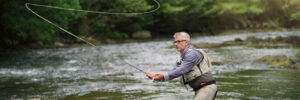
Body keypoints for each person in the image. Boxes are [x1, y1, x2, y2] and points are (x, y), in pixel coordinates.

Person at [145, 32, 217, 100]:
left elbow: (182, 70)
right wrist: (156, 77)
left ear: (186, 42)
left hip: (207, 87)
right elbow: (174, 72)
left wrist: (162, 76)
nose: (176, 44)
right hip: (200, 89)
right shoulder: (181, 58)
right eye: (175, 42)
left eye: (179, 41)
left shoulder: (192, 54)